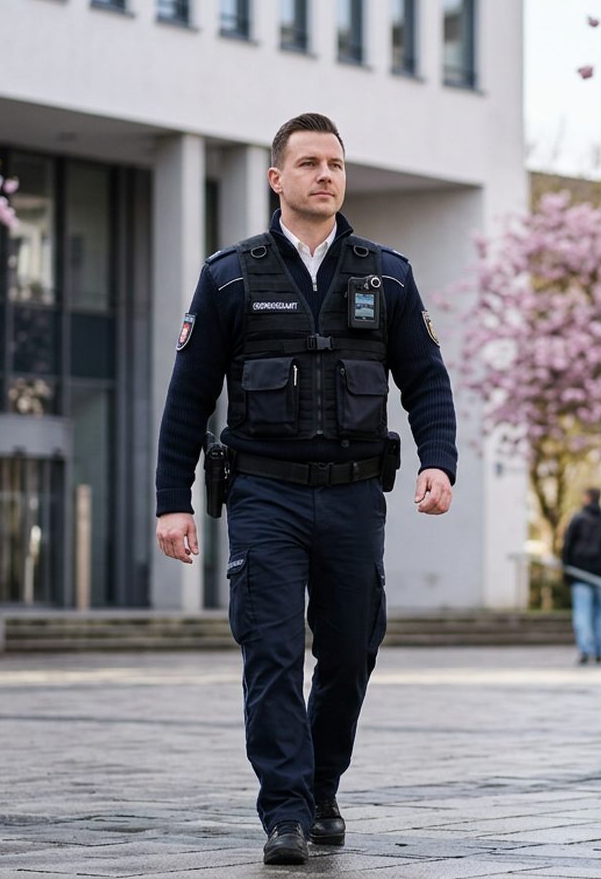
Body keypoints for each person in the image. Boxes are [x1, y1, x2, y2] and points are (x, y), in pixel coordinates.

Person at [153, 113, 457, 866]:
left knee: (351, 653)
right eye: (310, 163)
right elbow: (188, 398)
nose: (326, 175)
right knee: (273, 653)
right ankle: (285, 811)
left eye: (336, 164)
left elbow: (426, 380)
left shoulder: (387, 275)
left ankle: (322, 787)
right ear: (276, 178)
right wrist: (172, 501)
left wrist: (438, 461)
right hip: (265, 495)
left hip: (355, 496)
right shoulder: (230, 276)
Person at [562, 487, 601, 665]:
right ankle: (599, 650)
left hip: (581, 571)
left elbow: (568, 544)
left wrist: (567, 568)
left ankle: (585, 649)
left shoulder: (578, 518)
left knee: (583, 612)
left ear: (587, 498)